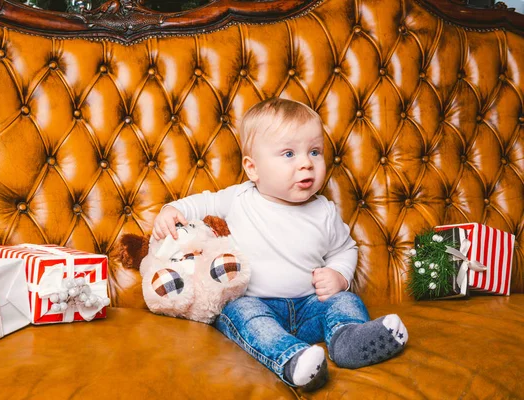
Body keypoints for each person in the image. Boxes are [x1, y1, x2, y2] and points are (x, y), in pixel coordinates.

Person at [151, 98, 408, 391]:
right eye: (289, 153)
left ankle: (348, 339)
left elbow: (345, 249)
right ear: (253, 168)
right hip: (257, 305)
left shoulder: (324, 211)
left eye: (315, 152)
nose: (306, 163)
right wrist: (172, 210)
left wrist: (339, 276)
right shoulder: (239, 198)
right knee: (240, 312)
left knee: (345, 301)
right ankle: (291, 358)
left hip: (310, 306)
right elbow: (202, 202)